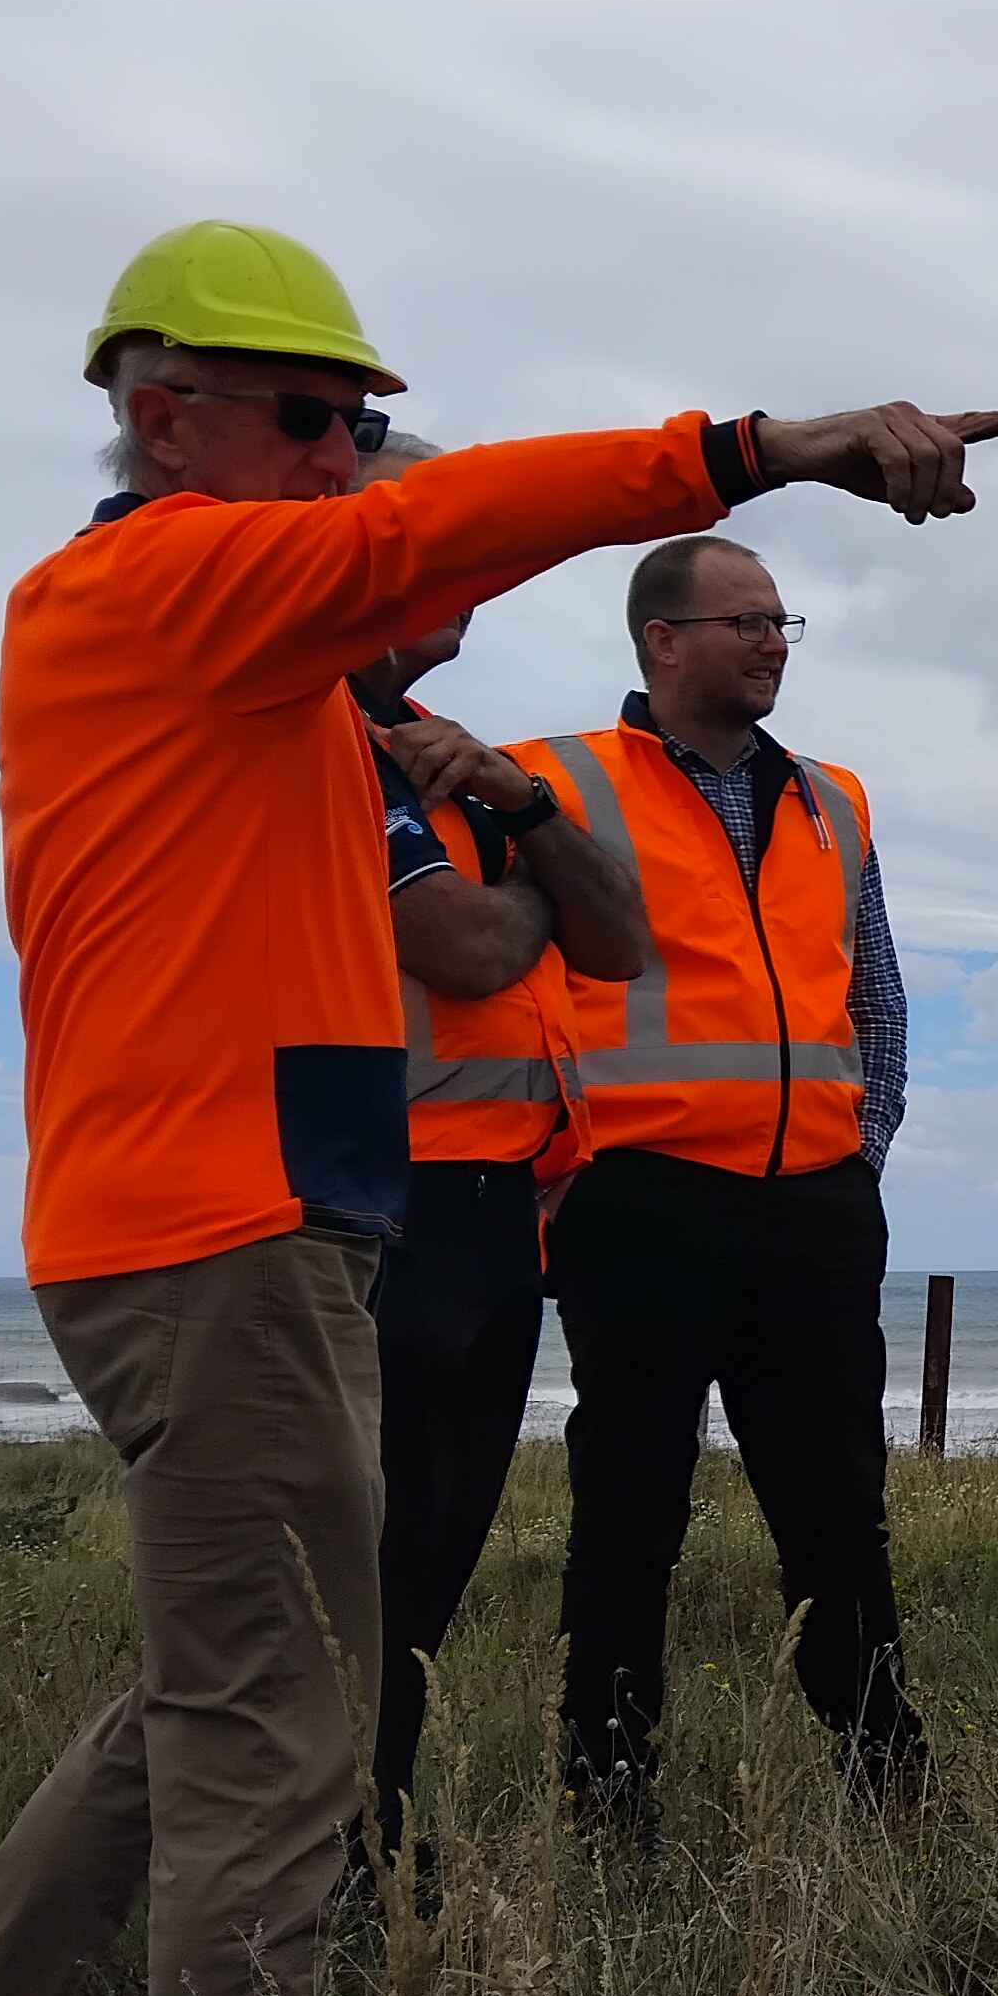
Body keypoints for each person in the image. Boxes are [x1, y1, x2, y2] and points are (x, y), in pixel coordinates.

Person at [0, 217, 998, 1996]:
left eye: (360, 426)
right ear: (163, 422)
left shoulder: (287, 696)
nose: (345, 462)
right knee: (285, 1727)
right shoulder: (154, 588)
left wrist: (481, 787)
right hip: (222, 1233)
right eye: (312, 422)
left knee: (222, 1687)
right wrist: (767, 445)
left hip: (284, 1227)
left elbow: (534, 926)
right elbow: (429, 540)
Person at [516, 534, 924, 1835]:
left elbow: (874, 992)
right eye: (745, 621)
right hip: (640, 1202)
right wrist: (566, 1169)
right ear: (662, 641)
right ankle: (609, 1799)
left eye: (783, 622)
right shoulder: (554, 783)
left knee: (839, 1519)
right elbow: (518, 986)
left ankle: (890, 1785)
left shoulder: (834, 798)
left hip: (812, 1209)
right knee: (631, 1514)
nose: (773, 641)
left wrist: (862, 1154)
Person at [351, 433, 652, 1890]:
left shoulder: (456, 761)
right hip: (377, 1207)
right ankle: (343, 1847)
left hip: (495, 1216)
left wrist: (525, 812)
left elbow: (621, 940)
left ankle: (378, 1831)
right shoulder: (333, 740)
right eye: (434, 541)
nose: (465, 576)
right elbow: (474, 951)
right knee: (363, 1568)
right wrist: (532, 885)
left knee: (430, 1573)